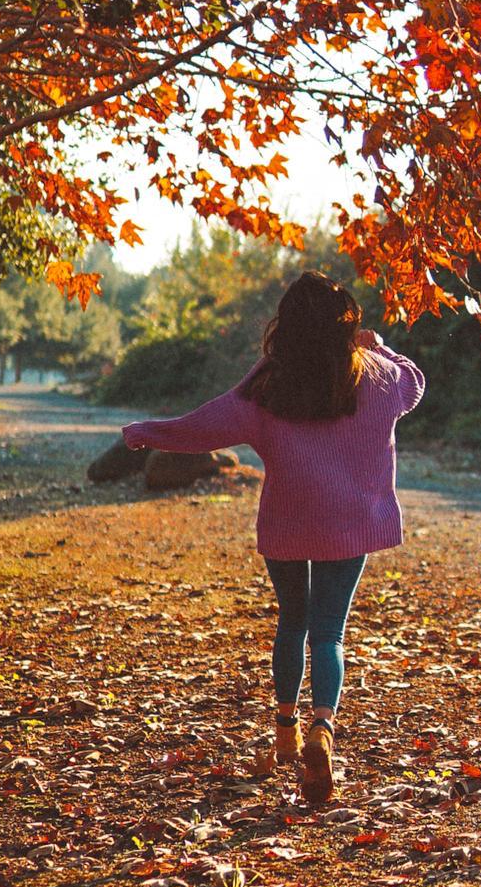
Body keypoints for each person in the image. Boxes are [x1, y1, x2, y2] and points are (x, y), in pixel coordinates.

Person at [120, 271, 426, 806]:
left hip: (287, 524)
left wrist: (146, 432)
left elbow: (205, 426)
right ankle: (321, 731)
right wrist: (379, 345)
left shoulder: (267, 386)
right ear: (345, 325)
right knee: (329, 632)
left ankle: (284, 731)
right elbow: (415, 381)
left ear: (286, 328)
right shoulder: (378, 378)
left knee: (293, 621)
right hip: (347, 525)